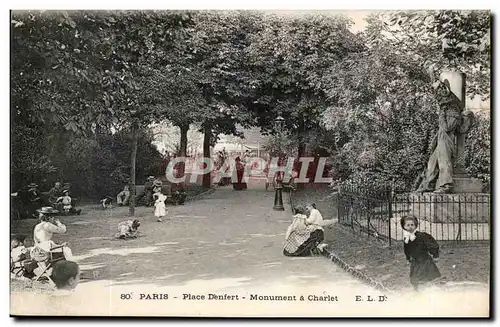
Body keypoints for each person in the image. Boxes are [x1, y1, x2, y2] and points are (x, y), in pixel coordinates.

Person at [400, 216, 441, 291]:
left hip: (424, 260)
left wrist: (435, 255)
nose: (410, 227)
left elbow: (432, 244)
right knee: (414, 278)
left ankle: (425, 291)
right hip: (415, 261)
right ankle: (417, 291)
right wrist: (408, 258)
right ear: (404, 226)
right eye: (408, 225)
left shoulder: (422, 236)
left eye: (412, 225)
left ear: (415, 225)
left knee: (422, 277)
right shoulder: (406, 238)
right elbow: (407, 249)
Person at [30, 207, 73, 273]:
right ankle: (71, 269)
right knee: (67, 249)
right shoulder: (47, 225)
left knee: (60, 247)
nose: (53, 219)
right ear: (49, 217)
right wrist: (59, 223)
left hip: (37, 250)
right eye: (52, 217)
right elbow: (63, 230)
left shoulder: (37, 226)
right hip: (45, 250)